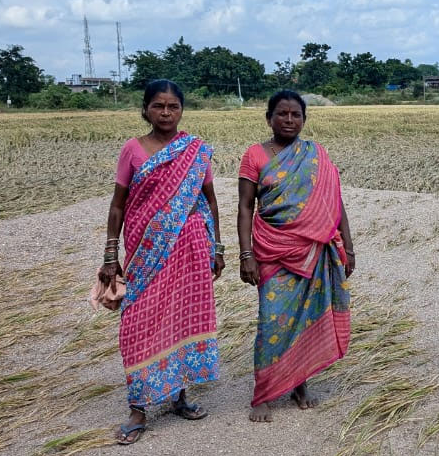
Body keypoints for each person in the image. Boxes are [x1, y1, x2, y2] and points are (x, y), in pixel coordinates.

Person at [100, 79, 224, 445]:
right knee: (138, 323)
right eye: (158, 106)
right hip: (145, 254)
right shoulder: (133, 150)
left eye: (173, 106)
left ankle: (178, 396)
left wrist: (217, 247)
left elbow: (210, 200)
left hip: (190, 250)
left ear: (181, 109)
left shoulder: (195, 150)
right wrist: (110, 256)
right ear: (146, 109)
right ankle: (138, 408)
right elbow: (119, 204)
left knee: (181, 320)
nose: (166, 113)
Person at [237, 90, 354, 422]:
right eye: (282, 114)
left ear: (304, 119)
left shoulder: (316, 154)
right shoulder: (255, 155)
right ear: (269, 118)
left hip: (316, 250)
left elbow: (334, 202)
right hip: (272, 250)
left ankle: (299, 384)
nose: (289, 120)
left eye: (296, 115)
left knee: (308, 315)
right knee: (272, 320)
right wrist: (246, 255)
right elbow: (246, 208)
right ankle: (263, 393)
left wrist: (348, 244)